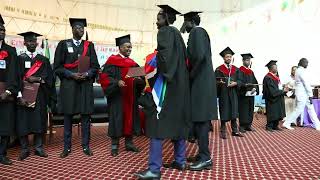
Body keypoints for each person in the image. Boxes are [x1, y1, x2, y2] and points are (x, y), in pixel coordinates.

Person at [134, 5, 191, 179]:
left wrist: (155, 71)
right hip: (181, 88)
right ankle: (180, 161)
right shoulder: (179, 36)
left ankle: (154, 169)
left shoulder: (164, 32)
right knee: (179, 123)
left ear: (166, 18)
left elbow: (164, 60)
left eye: (159, 18)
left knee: (155, 124)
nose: (156, 21)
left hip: (167, 86)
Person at [53, 18, 100, 158]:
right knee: (68, 117)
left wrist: (87, 74)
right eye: (78, 28)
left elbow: (95, 67)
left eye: (82, 28)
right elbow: (57, 67)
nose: (81, 30)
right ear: (72, 29)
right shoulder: (63, 44)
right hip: (69, 85)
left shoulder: (89, 46)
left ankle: (86, 145)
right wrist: (71, 75)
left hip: (85, 85)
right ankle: (66, 147)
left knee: (85, 116)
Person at [181, 11, 217, 171]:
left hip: (200, 83)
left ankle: (205, 158)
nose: (184, 26)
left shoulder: (197, 31)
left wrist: (190, 75)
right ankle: (202, 154)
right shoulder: (199, 33)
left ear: (190, 21)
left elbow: (200, 57)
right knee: (198, 121)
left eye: (185, 22)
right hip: (201, 82)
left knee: (201, 121)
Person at [99, 34, 145, 157]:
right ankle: (115, 145)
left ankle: (129, 143)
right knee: (117, 118)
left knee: (130, 118)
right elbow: (104, 77)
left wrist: (140, 80)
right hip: (117, 96)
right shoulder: (112, 61)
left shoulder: (133, 63)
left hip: (130, 97)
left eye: (130, 47)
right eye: (127, 47)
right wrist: (116, 82)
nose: (129, 49)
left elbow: (142, 80)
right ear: (120, 47)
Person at [16, 31, 54, 161]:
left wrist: (37, 78)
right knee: (23, 122)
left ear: (37, 43)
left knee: (39, 121)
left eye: (34, 41)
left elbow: (49, 79)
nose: (32, 43)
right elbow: (15, 79)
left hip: (39, 96)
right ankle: (25, 149)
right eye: (29, 41)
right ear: (24, 43)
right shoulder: (18, 59)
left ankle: (38, 147)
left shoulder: (43, 60)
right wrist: (19, 95)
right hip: (24, 95)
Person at [0, 14, 19, 165]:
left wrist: (8, 91)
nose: (2, 30)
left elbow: (14, 73)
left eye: (3, 28)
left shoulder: (11, 50)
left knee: (5, 125)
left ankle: (2, 154)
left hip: (6, 93)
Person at [282, 58, 320, 130]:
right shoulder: (301, 71)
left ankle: (317, 125)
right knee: (299, 110)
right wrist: (310, 95)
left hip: (303, 94)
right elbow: (306, 83)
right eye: (306, 63)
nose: (307, 64)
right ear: (302, 63)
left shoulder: (298, 70)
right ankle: (287, 123)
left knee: (310, 109)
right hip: (303, 94)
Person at [215, 47, 243, 139]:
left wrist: (236, 83)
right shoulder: (219, 69)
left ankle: (235, 130)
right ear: (223, 58)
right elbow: (215, 81)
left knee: (234, 112)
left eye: (230, 57)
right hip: (224, 93)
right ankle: (223, 131)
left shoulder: (236, 69)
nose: (229, 58)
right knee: (224, 111)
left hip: (233, 93)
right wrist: (220, 83)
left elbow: (240, 81)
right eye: (227, 57)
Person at [262, 60, 288, 132]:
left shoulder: (276, 77)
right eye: (274, 67)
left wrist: (283, 88)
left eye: (276, 67)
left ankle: (275, 125)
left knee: (278, 112)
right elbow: (272, 91)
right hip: (271, 98)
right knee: (272, 112)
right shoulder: (268, 77)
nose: (276, 68)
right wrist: (282, 91)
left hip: (278, 97)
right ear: (270, 68)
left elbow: (277, 87)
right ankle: (269, 126)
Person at [237, 53, 259, 133]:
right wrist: (245, 87)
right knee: (243, 110)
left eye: (249, 60)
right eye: (246, 60)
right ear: (243, 61)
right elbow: (239, 82)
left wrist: (254, 88)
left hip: (251, 94)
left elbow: (255, 82)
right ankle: (242, 126)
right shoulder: (240, 70)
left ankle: (249, 125)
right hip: (243, 95)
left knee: (250, 109)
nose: (248, 61)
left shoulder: (251, 72)